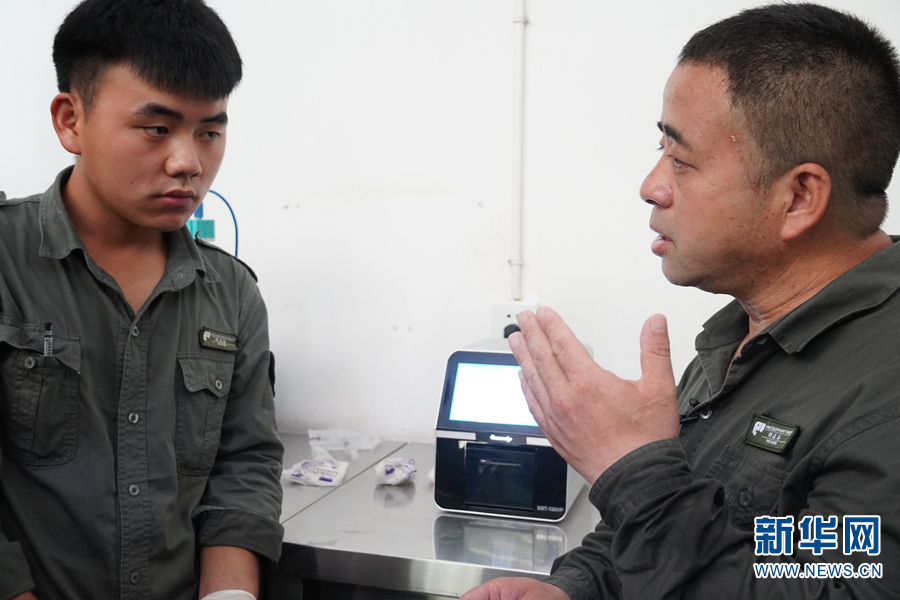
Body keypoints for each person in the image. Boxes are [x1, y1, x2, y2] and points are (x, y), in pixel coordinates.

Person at [463, 3, 900, 599]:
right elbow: (664, 535)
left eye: (682, 160)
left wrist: (629, 467)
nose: (652, 186)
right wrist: (574, 591)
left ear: (798, 197)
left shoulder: (883, 393)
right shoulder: (745, 334)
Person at [0, 1, 283, 599]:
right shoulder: (7, 262)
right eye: (156, 129)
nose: (188, 163)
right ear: (70, 121)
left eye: (210, 132)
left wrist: (229, 594)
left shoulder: (231, 293)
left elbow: (245, 466)